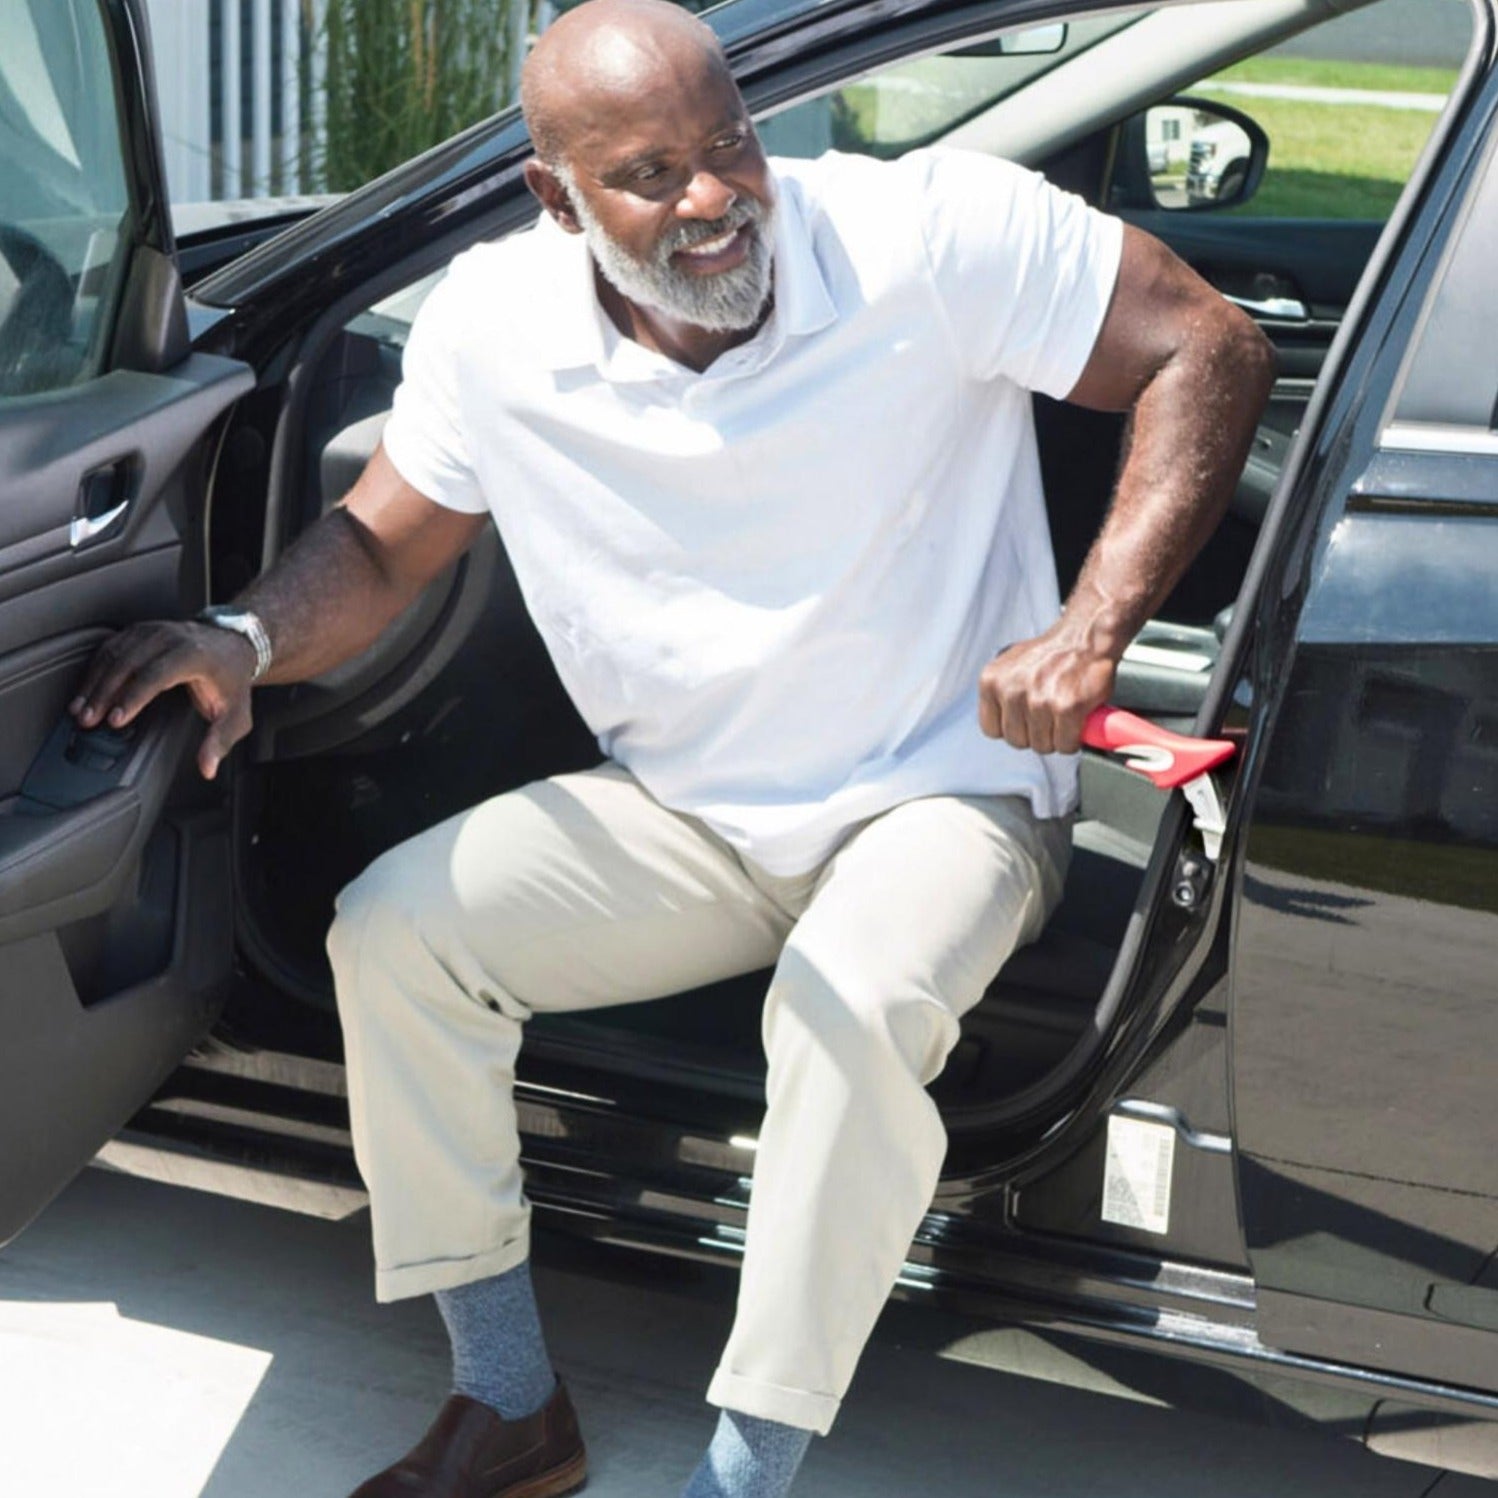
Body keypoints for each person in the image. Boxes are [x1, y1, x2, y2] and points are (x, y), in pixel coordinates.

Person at [70, 1, 1274, 1493]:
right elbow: (380, 551)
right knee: (395, 935)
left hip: (943, 791)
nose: (710, 196)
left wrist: (1091, 627)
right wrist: (240, 643)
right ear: (552, 196)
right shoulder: (491, 325)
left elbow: (1204, 345)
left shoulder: (927, 233)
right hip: (689, 812)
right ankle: (507, 1399)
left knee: (846, 1009)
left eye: (729, 146)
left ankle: (743, 1469)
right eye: (648, 173)